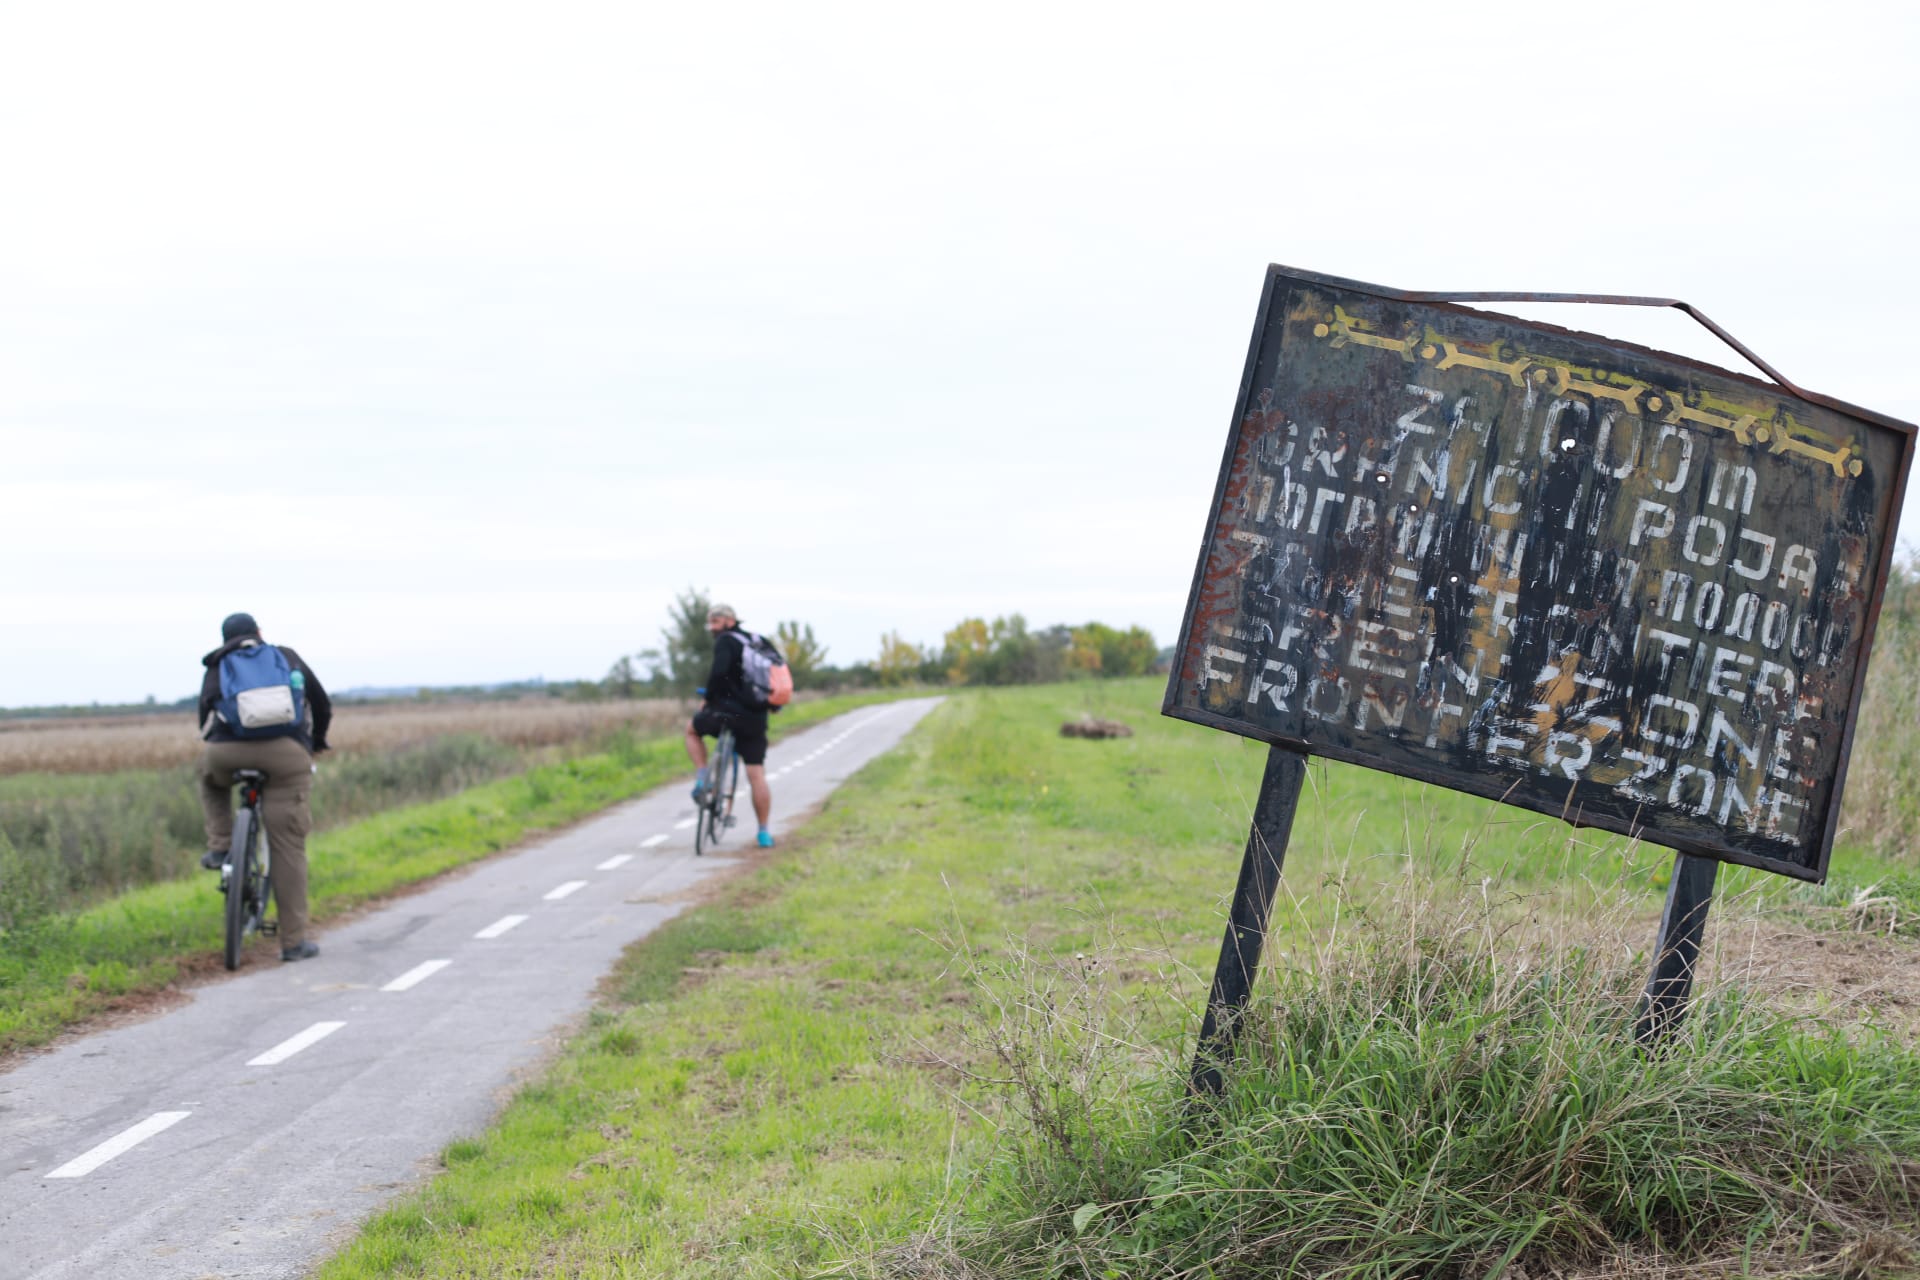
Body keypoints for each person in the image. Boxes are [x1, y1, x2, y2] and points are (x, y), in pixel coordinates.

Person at [196, 612, 332, 962]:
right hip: (286, 755)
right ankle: (293, 943)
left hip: (226, 751)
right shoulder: (285, 656)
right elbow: (321, 703)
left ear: (224, 638)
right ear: (259, 633)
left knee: (210, 780)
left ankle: (221, 845)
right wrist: (314, 741)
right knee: (287, 847)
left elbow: (205, 714)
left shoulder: (219, 662)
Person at [684, 603, 775, 847]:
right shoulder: (759, 641)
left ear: (728, 621)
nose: (712, 628)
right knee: (756, 775)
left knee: (692, 730)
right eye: (711, 623)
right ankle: (764, 832)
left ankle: (703, 776)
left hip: (726, 713)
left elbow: (718, 673)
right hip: (756, 716)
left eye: (715, 622)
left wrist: (708, 698)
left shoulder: (725, 641)